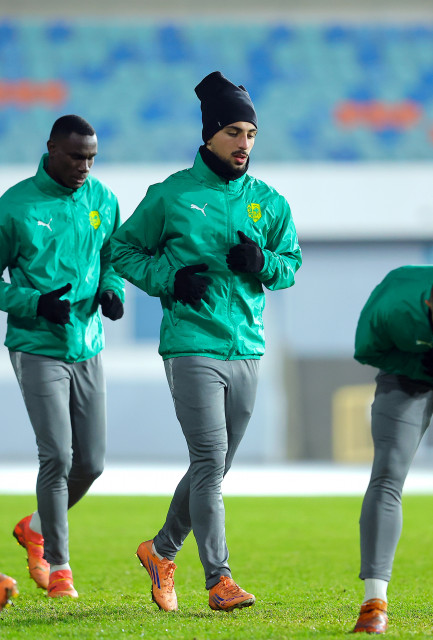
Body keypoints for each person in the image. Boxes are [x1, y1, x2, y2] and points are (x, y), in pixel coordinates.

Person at [111, 71, 302, 612]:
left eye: (251, 134)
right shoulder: (171, 195)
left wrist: (264, 262)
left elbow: (291, 265)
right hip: (191, 342)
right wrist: (169, 279)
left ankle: (160, 550)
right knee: (210, 458)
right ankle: (219, 580)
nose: (244, 144)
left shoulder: (269, 201)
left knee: (212, 469)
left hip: (247, 346)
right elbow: (123, 250)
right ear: (210, 134)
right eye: (234, 132)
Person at [0, 115, 125, 599]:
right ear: (52, 148)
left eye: (91, 158)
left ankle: (33, 528)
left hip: (88, 345)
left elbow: (112, 257)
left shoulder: (103, 200)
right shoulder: (15, 206)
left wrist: (111, 291)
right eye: (76, 157)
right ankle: (59, 567)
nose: (84, 167)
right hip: (37, 345)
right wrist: (35, 303)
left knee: (90, 463)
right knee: (57, 455)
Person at [352, 265, 433, 633]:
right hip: (406, 374)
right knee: (387, 475)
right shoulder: (394, 305)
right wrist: (416, 361)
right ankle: (374, 603)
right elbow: (366, 348)